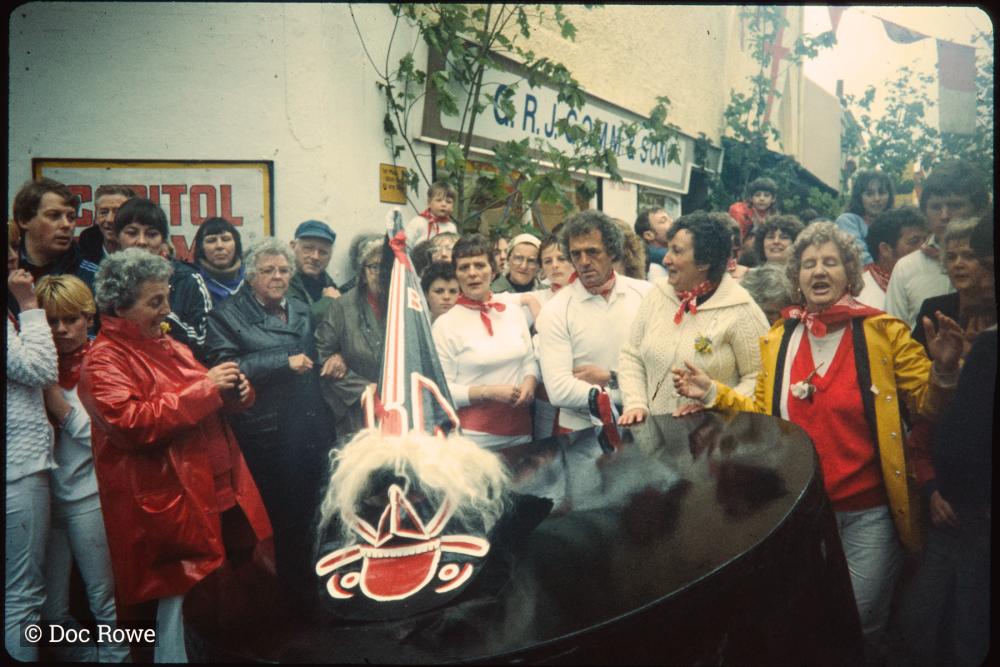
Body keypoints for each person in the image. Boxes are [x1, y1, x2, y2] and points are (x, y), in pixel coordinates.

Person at [671, 221, 964, 664]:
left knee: (862, 618)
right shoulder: (778, 339)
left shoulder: (883, 333)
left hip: (869, 514)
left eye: (830, 262)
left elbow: (927, 407)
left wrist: (943, 372)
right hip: (800, 513)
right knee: (809, 619)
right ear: (797, 276)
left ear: (849, 271)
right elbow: (764, 416)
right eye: (809, 264)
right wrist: (713, 392)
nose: (819, 271)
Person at [78, 248, 272, 663]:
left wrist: (238, 393)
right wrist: (207, 390)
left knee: (222, 609)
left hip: (216, 495)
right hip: (172, 507)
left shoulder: (166, 344)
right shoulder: (103, 360)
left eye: (165, 297)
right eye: (155, 302)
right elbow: (132, 423)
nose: (167, 310)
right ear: (119, 306)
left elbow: (203, 399)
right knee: (178, 621)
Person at [204, 237, 336, 597]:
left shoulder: (300, 309)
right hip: (268, 434)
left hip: (310, 427)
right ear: (250, 276)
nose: (277, 277)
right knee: (280, 522)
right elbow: (226, 369)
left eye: (283, 270)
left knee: (314, 514)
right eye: (268, 271)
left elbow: (315, 355)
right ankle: (288, 599)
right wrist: (281, 361)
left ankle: (315, 591)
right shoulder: (225, 315)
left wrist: (332, 359)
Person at [35, 275, 129, 663]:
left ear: (88, 317)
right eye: (51, 321)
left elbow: (107, 436)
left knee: (105, 601)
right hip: (44, 497)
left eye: (69, 319)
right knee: (49, 611)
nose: (60, 330)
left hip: (90, 497)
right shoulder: (34, 365)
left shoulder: (102, 361)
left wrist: (58, 404)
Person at [618, 211, 768, 423]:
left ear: (704, 262)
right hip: (657, 444)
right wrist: (636, 403)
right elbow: (631, 355)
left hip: (716, 444)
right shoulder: (656, 295)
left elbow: (759, 380)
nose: (666, 259)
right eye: (668, 248)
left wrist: (712, 400)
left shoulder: (742, 309)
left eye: (676, 251)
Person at [536, 211, 653, 433]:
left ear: (612, 251)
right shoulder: (556, 309)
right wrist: (632, 394)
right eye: (576, 254)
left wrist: (611, 378)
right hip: (580, 430)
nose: (584, 262)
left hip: (642, 424)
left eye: (592, 252)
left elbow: (662, 369)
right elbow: (559, 391)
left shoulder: (646, 295)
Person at [432, 234, 538, 449]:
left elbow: (528, 358)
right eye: (464, 267)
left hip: (522, 431)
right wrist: (487, 391)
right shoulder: (445, 325)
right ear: (456, 274)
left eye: (480, 265)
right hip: (474, 440)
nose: (472, 273)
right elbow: (441, 391)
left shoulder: (513, 311)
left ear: (494, 269)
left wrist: (530, 380)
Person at [5, 253, 58, 662]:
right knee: (22, 595)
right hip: (17, 467)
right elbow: (39, 369)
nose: (15, 263)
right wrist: (28, 306)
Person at [885, 161, 990, 329]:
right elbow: (892, 336)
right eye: (935, 207)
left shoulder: (990, 263)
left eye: (955, 205)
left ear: (978, 208)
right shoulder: (907, 267)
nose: (944, 215)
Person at [113, 197, 212, 357]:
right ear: (117, 236)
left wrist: (161, 317)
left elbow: (205, 341)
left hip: (178, 370)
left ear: (162, 239)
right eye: (132, 233)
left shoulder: (188, 279)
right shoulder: (108, 280)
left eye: (152, 234)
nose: (142, 241)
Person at [316, 236, 386, 442]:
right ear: (363, 273)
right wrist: (364, 390)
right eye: (375, 267)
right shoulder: (341, 307)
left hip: (400, 408)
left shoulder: (406, 306)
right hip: (355, 415)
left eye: (388, 267)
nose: (382, 273)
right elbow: (323, 357)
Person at [9, 178, 95, 316]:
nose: (67, 225)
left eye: (71, 217)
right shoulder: (9, 267)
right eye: (54, 216)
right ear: (24, 220)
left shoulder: (93, 277)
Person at [857, 207, 928, 310]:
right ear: (885, 249)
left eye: (926, 240)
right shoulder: (859, 294)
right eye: (914, 241)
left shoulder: (933, 276)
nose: (924, 247)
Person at [835, 170, 896, 266]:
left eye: (882, 192)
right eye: (869, 194)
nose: (877, 198)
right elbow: (860, 257)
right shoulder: (847, 221)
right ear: (859, 197)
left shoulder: (895, 223)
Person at [287, 219, 342, 321]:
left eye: (323, 252)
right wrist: (328, 301)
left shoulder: (325, 281)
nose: (315, 257)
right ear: (293, 246)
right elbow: (297, 325)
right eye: (308, 248)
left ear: (330, 256)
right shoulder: (282, 282)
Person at [78, 185, 137, 267]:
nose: (109, 219)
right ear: (96, 218)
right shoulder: (81, 258)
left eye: (117, 212)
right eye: (104, 212)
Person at [192, 216, 245, 306]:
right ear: (201, 248)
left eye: (226, 239)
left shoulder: (251, 279)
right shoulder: (193, 283)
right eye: (211, 240)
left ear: (236, 244)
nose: (219, 246)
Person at [405, 181, 458, 246]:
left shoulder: (451, 227)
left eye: (448, 202)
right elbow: (405, 246)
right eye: (439, 200)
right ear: (429, 203)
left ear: (453, 207)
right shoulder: (418, 222)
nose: (444, 204)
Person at [728, 176, 778, 241]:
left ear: (773, 199)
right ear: (751, 198)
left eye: (766, 195)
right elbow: (736, 240)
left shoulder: (774, 216)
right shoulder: (740, 212)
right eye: (757, 195)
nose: (761, 199)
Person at [634, 207, 672, 281]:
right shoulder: (654, 268)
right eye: (663, 221)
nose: (672, 222)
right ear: (649, 235)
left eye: (670, 218)